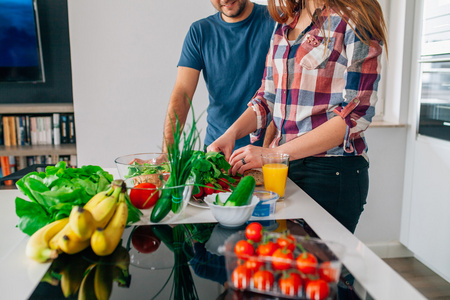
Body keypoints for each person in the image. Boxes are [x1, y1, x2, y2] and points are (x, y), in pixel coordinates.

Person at [208, 0, 388, 234]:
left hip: (330, 173)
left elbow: (355, 114)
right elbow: (268, 97)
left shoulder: (355, 18)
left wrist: (272, 154)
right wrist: (231, 134)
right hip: (283, 170)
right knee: (284, 263)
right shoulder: (284, 25)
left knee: (320, 267)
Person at [161, 0, 276, 153]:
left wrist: (267, 152)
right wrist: (168, 154)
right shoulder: (200, 31)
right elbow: (182, 94)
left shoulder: (276, 21)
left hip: (265, 151)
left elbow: (282, 95)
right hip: (217, 150)